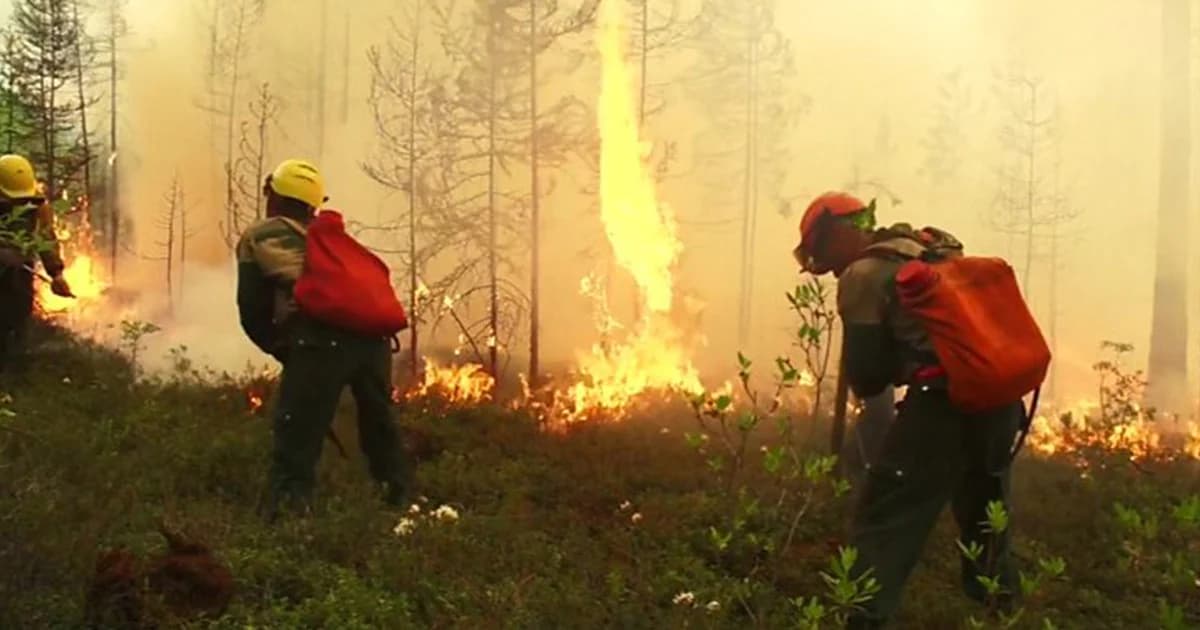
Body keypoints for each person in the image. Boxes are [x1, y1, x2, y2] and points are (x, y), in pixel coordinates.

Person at [794, 191, 1023, 628]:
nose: (830, 267)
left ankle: (864, 620)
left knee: (885, 520)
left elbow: (869, 379)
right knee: (986, 518)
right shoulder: (930, 248)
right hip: (998, 404)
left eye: (824, 252)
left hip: (942, 412)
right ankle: (1002, 612)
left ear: (842, 231)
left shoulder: (863, 274)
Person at [235, 158, 410, 521]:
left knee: (296, 435)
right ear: (314, 204)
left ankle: (287, 522)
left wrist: (282, 347)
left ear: (275, 197)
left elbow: (252, 308)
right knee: (381, 427)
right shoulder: (332, 241)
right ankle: (400, 507)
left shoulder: (262, 234)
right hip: (375, 342)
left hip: (321, 343)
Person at [0, 154, 73, 374]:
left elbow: (46, 240)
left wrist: (56, 274)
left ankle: (12, 377)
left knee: (17, 320)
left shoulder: (38, 206)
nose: (21, 204)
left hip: (19, 276)